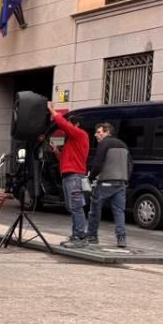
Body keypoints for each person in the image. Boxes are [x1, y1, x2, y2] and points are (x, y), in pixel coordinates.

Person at [48, 101, 93, 248]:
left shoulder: (80, 135)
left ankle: (79, 237)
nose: (68, 128)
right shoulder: (73, 141)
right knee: (73, 207)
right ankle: (76, 235)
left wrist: (53, 111)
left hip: (74, 176)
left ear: (77, 125)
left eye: (71, 124)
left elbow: (64, 125)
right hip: (71, 175)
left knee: (76, 207)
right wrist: (56, 151)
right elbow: (64, 160)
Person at [85, 122, 131, 248]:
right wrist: (126, 179)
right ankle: (121, 238)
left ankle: (92, 235)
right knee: (119, 211)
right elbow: (129, 164)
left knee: (95, 209)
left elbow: (98, 164)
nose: (96, 135)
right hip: (121, 183)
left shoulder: (104, 144)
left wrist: (90, 178)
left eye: (99, 132)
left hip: (105, 182)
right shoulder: (123, 145)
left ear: (107, 132)